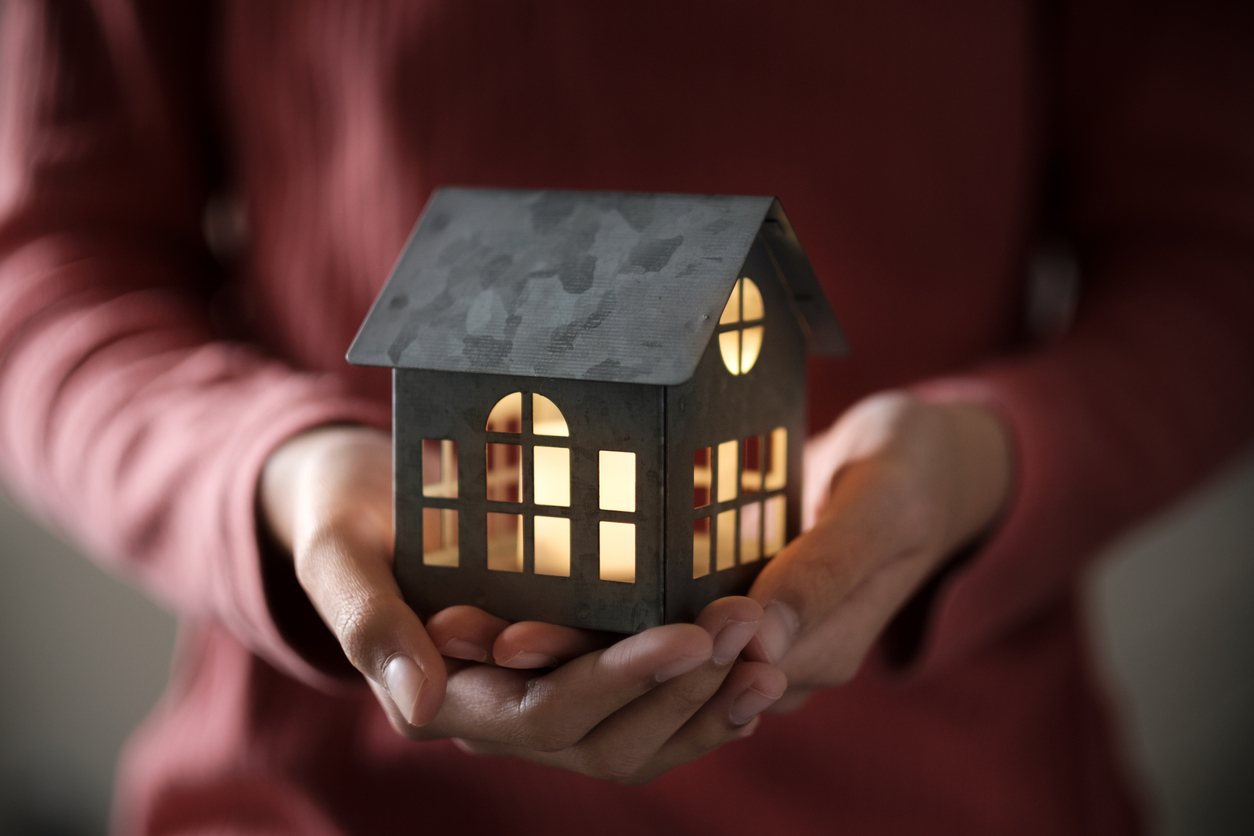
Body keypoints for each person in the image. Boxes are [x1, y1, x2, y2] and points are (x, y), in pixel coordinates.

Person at [1, 1, 1250, 833]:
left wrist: (985, 460)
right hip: (320, 790)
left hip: (952, 787)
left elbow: (1217, 253)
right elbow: (52, 259)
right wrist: (274, 474)